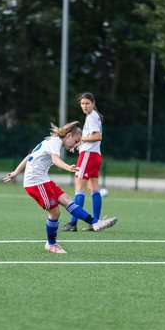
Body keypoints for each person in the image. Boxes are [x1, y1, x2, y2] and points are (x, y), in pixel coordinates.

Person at [3, 121, 113, 254]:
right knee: (55, 213)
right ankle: (51, 244)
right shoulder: (55, 143)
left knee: (67, 200)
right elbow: (55, 160)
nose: (76, 145)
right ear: (68, 136)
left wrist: (15, 172)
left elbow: (29, 156)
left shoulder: (50, 141)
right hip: (35, 182)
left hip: (43, 179)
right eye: (76, 141)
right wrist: (68, 167)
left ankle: (95, 222)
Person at [60, 92, 117, 232]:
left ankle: (73, 223)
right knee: (94, 189)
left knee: (79, 189)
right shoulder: (93, 116)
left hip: (88, 156)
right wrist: (79, 143)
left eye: (87, 103)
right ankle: (95, 223)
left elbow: (97, 137)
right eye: (82, 104)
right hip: (95, 155)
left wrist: (79, 140)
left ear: (93, 103)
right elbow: (92, 137)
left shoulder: (92, 117)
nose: (84, 106)